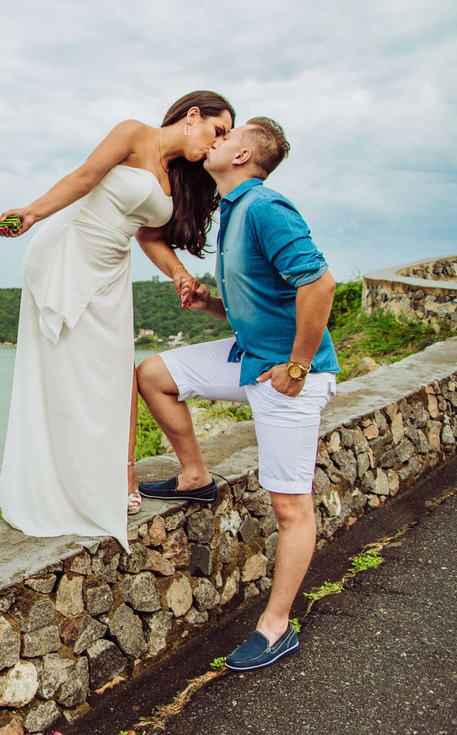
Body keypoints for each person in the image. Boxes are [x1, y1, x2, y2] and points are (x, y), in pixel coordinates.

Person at [136, 116, 339, 670]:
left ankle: (276, 627)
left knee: (290, 506)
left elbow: (318, 283)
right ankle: (194, 477)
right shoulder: (234, 211)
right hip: (251, 357)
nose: (216, 139)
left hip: (289, 376)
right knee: (153, 374)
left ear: (244, 156)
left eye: (227, 136)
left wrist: (297, 367)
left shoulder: (266, 208)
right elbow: (263, 303)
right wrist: (210, 305)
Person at [0, 91, 234, 553]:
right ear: (193, 115)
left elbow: (149, 236)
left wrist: (179, 272)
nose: (217, 142)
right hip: (71, 252)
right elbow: (83, 178)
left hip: (112, 269)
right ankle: (57, 484)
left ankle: (120, 475)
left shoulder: (178, 177)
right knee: (61, 371)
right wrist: (32, 212)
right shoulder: (133, 133)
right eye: (217, 130)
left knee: (117, 370)